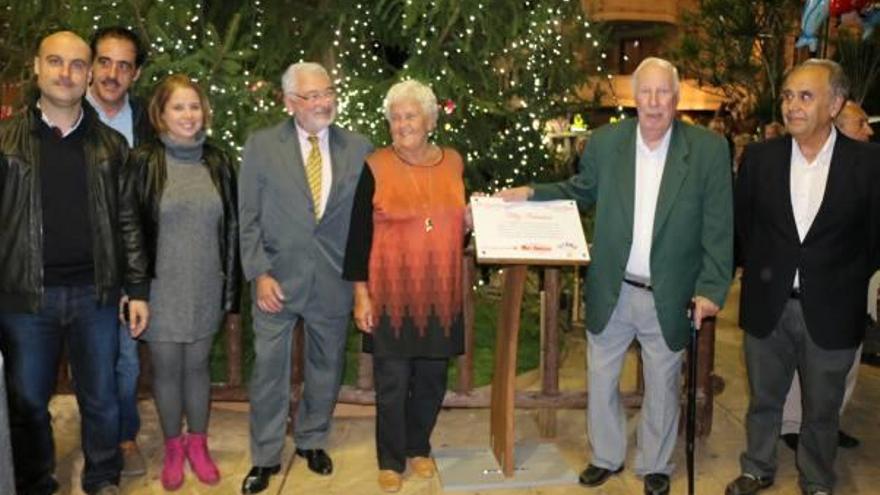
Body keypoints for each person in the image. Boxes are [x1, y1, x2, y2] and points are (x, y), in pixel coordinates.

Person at [497, 57, 734, 495]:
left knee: (663, 383)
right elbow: (578, 191)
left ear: (677, 97)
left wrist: (711, 288)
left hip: (671, 289)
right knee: (601, 375)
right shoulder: (607, 143)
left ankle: (655, 463)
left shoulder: (706, 150)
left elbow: (719, 228)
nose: (654, 102)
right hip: (614, 285)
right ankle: (606, 456)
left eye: (663, 92)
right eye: (646, 92)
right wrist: (529, 194)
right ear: (634, 98)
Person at [0, 30, 149, 495]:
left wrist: (137, 289)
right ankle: (35, 481)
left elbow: (129, 222)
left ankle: (103, 477)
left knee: (102, 397)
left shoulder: (110, 146)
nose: (66, 73)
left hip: (96, 296)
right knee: (26, 401)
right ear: (38, 69)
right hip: (26, 298)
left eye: (77, 64)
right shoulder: (5, 142)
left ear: (87, 75)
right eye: (56, 62)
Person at [726, 60, 880, 495]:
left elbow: (874, 239)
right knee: (764, 401)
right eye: (788, 95)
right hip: (768, 304)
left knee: (823, 408)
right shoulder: (760, 158)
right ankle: (757, 467)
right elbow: (745, 226)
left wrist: (841, 276)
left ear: (834, 104)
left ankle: (815, 479)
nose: (792, 106)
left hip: (833, 307)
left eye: (805, 96)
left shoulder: (869, 164)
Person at [238, 62, 372, 494]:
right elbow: (248, 218)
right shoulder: (261, 146)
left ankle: (313, 439)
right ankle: (265, 455)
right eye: (312, 96)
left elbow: (366, 221)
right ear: (290, 102)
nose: (324, 102)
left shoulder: (359, 147)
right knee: (269, 372)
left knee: (326, 367)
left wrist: (359, 285)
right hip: (276, 281)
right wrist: (259, 273)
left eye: (328, 92)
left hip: (332, 280)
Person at [343, 80, 467, 493]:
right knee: (392, 383)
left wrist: (469, 223)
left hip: (440, 293)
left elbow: (456, 223)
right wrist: (361, 293)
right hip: (391, 295)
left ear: (430, 120)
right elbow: (358, 235)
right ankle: (390, 459)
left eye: (410, 116)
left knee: (432, 380)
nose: (402, 124)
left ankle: (419, 447)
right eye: (395, 118)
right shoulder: (374, 165)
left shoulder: (454, 162)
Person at [124, 74, 240, 490]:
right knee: (168, 370)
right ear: (161, 113)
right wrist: (135, 290)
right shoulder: (143, 161)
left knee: (198, 368)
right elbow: (131, 227)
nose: (188, 115)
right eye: (178, 107)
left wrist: (230, 286)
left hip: (205, 284)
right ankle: (174, 447)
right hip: (160, 289)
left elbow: (233, 227)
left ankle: (199, 444)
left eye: (194, 106)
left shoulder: (220, 161)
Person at [778, 100, 873, 453]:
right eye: (861, 123)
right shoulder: (797, 164)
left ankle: (828, 426)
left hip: (846, 287)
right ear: (837, 122)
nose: (869, 130)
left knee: (842, 365)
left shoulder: (869, 167)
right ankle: (792, 426)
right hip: (797, 289)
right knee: (794, 363)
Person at [87, 25, 155, 478]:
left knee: (125, 363)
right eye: (105, 61)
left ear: (136, 73)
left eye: (123, 65)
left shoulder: (148, 124)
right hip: (75, 266)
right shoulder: (65, 115)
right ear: (91, 64)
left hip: (127, 262)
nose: (113, 73)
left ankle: (123, 434)